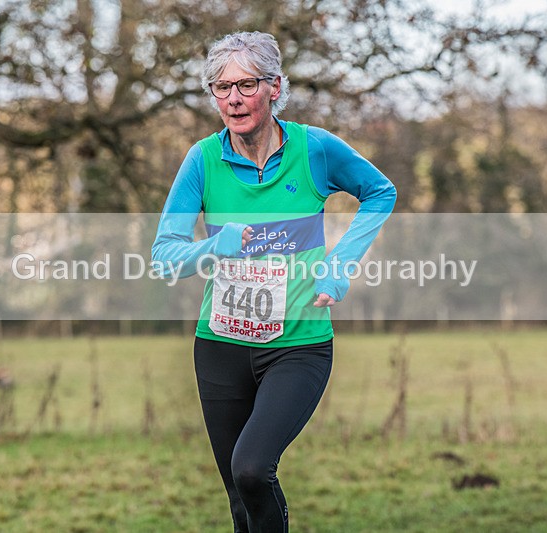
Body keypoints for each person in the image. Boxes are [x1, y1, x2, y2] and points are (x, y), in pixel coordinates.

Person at [151, 31, 396, 532]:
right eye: (221, 88)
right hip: (221, 345)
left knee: (252, 468)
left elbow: (380, 192)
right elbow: (164, 256)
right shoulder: (203, 159)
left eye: (246, 84)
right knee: (239, 496)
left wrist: (340, 263)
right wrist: (211, 247)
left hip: (298, 345)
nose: (234, 99)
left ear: (274, 87)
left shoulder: (314, 149)